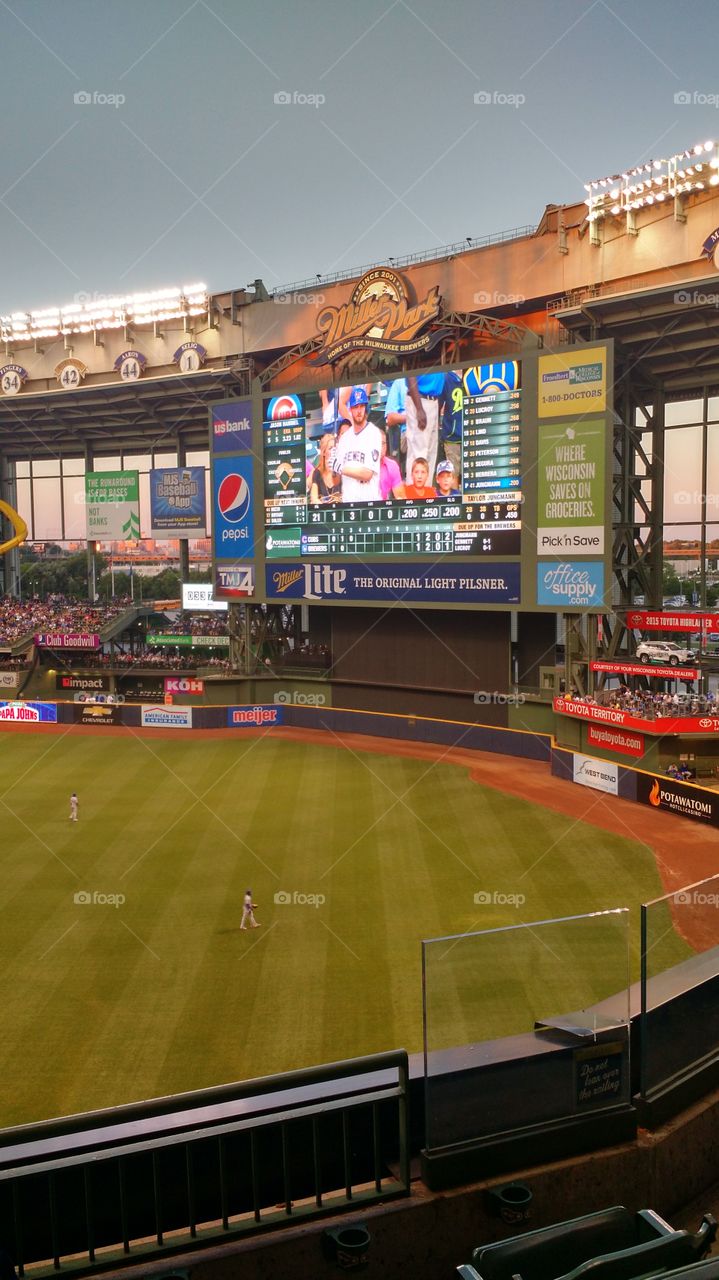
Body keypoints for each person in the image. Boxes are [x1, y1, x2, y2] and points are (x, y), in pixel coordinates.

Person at [331, 387, 382, 502]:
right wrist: (333, 468)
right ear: (350, 409)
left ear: (366, 408)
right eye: (355, 407)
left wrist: (341, 469)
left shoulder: (374, 433)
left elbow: (367, 474)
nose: (359, 411)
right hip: (349, 503)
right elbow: (336, 481)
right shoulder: (344, 438)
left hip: (369, 503)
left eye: (361, 406)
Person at [404, 371, 445, 482]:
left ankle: (426, 495)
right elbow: (410, 373)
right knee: (418, 454)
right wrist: (419, 409)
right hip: (419, 399)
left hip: (434, 400)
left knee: (431, 454)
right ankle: (414, 497)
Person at [309, 432, 342, 504]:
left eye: (335, 448)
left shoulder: (341, 470)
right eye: (330, 448)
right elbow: (314, 498)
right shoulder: (317, 472)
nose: (334, 451)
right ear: (323, 452)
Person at [379, 428, 405, 500]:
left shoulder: (392, 466)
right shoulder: (361, 465)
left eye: (383, 443)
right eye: (377, 443)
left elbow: (401, 499)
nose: (380, 447)